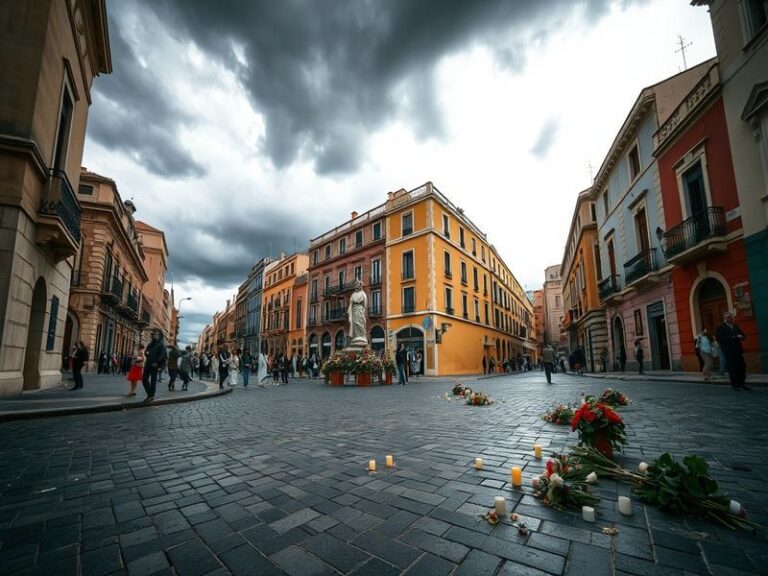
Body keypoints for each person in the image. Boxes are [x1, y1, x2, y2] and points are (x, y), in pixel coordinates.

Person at [716, 312, 750, 391]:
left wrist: (742, 337)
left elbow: (743, 335)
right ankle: (735, 385)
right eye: (729, 317)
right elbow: (720, 339)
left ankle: (742, 384)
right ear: (725, 319)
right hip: (729, 351)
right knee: (733, 368)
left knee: (742, 367)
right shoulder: (721, 328)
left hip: (738, 350)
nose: (731, 319)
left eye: (731, 317)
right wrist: (734, 337)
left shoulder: (735, 326)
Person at [142, 331, 167, 403]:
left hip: (154, 365)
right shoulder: (150, 344)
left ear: (159, 335)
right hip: (148, 364)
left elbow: (162, 355)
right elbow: (146, 352)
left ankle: (151, 396)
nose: (152, 335)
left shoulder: (161, 345)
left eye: (154, 334)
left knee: (153, 381)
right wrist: (146, 353)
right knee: (144, 379)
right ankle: (150, 394)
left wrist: (156, 362)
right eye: (151, 334)